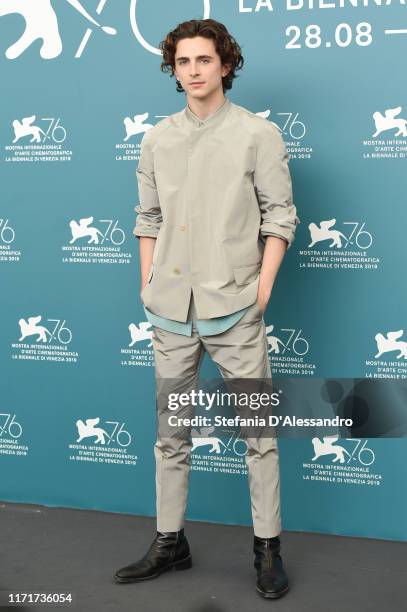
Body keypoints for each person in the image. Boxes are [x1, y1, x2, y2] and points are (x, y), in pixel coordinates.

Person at [114, 18, 300, 599]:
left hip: (235, 307)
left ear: (226, 64)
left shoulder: (256, 135)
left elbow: (280, 218)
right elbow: (148, 220)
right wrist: (147, 284)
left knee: (257, 432)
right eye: (183, 62)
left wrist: (261, 291)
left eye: (204, 60)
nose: (193, 71)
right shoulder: (157, 139)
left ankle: (266, 548)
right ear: (173, 69)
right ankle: (171, 542)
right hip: (169, 310)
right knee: (172, 432)